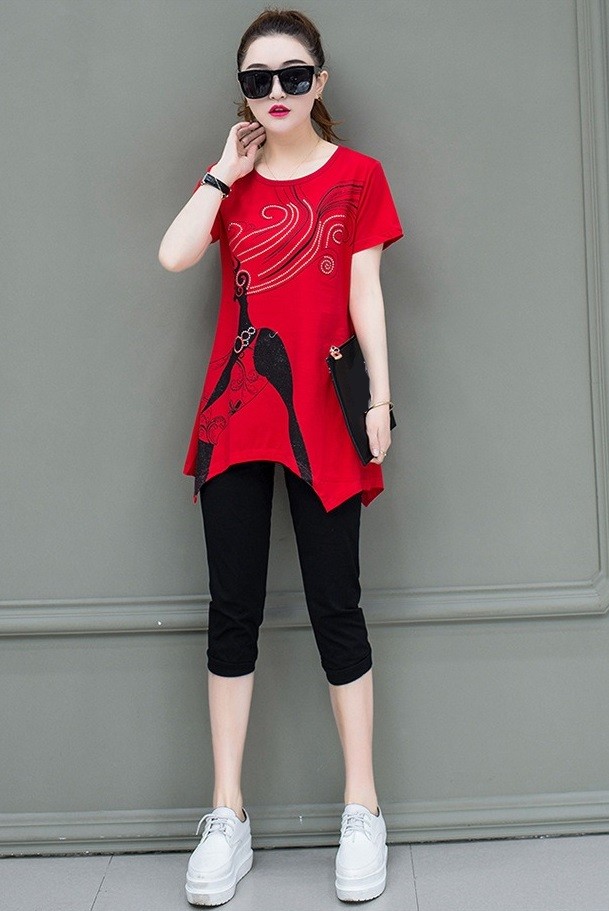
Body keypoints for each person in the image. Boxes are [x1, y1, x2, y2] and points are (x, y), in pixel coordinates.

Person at [158, 7, 403, 906]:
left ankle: (362, 806)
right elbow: (173, 255)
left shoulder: (357, 176)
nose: (276, 93)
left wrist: (379, 399)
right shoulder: (233, 181)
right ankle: (227, 811)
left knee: (338, 605)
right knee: (233, 610)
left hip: (325, 415)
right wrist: (223, 172)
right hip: (236, 414)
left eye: (293, 76)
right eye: (257, 79)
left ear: (319, 81)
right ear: (242, 90)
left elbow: (365, 293)